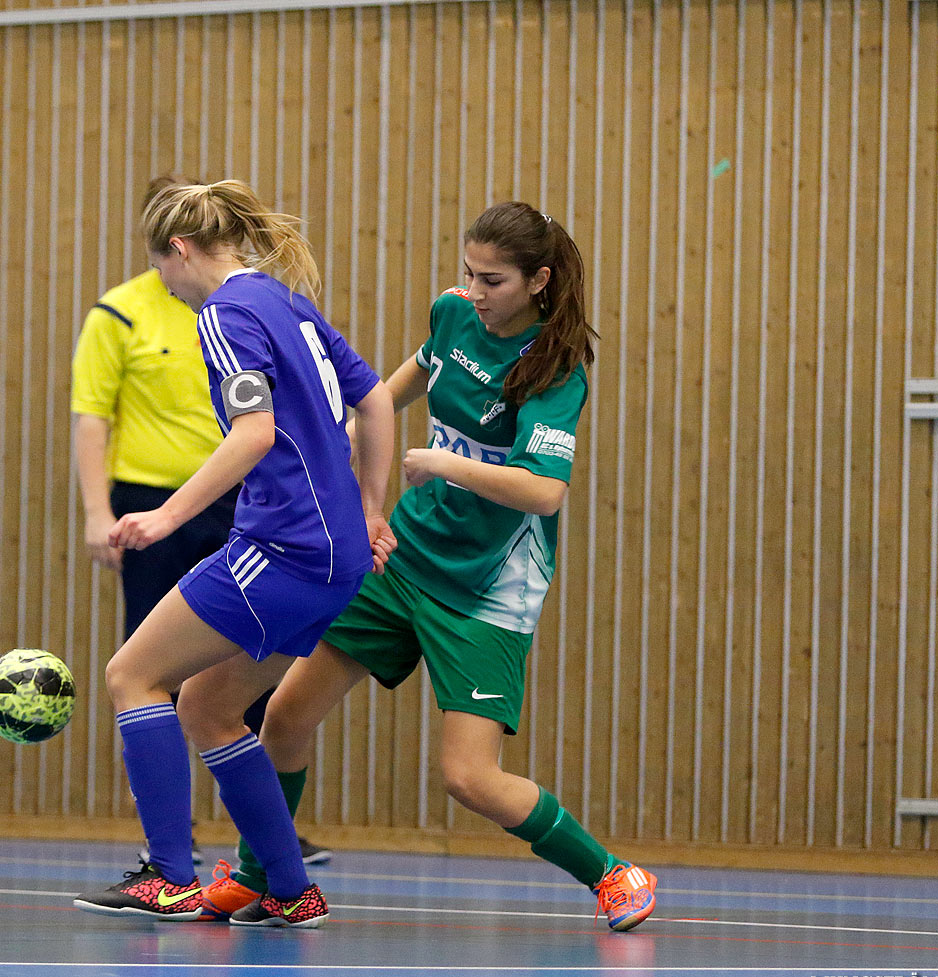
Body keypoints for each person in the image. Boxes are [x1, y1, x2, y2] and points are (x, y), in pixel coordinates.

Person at [201, 201, 659, 931]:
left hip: (485, 587)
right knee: (284, 717)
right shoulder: (453, 314)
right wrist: (346, 443)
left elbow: (544, 490)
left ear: (538, 280)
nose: (475, 292)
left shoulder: (554, 365)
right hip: (405, 556)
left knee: (469, 778)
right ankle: (262, 877)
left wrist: (447, 463)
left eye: (494, 280)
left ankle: (612, 873)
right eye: (468, 274)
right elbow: (386, 393)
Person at [72, 180, 395, 929]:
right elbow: (375, 400)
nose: (167, 289)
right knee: (211, 707)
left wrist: (162, 515)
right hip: (336, 555)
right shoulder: (283, 300)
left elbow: (252, 435)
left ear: (179, 249)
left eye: (162, 270)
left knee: (132, 674)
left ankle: (171, 876)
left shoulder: (223, 312)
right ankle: (289, 888)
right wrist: (372, 510)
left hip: (282, 545)